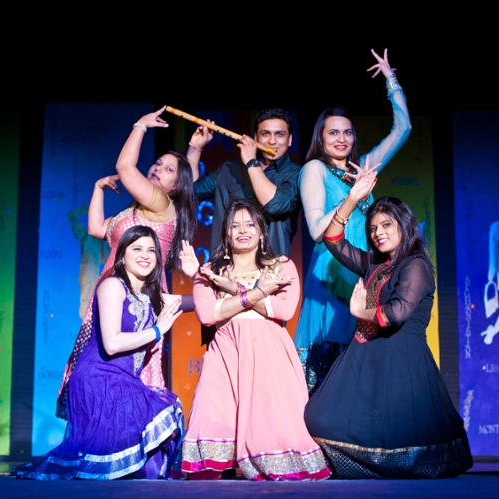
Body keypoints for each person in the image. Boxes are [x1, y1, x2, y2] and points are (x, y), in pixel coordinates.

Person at [304, 167, 473, 478]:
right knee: (318, 417)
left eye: (386, 225)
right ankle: (368, 471)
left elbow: (395, 313)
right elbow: (332, 237)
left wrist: (359, 311)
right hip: (365, 356)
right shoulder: (373, 263)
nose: (377, 232)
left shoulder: (416, 265)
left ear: (403, 226)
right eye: (372, 228)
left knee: (400, 435)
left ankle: (390, 480)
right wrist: (353, 198)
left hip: (401, 358)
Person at [56, 107, 197, 419]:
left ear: (177, 185)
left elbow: (124, 165)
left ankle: (132, 439)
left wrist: (140, 125)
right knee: (101, 362)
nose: (158, 169)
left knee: (133, 367)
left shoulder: (162, 204)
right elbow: (95, 229)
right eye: (157, 163)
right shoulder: (131, 212)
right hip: (110, 291)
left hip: (139, 293)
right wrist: (97, 188)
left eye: (169, 169)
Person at [13, 226, 185, 480]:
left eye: (151, 250)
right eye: (137, 248)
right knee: (149, 426)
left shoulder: (151, 297)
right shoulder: (112, 286)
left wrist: (238, 291)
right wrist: (158, 331)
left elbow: (205, 305)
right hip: (98, 379)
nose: (145, 255)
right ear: (121, 255)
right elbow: (112, 343)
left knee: (147, 461)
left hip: (125, 381)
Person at [178, 199, 330, 481]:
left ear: (262, 232)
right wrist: (257, 293)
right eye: (235, 226)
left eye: (250, 225)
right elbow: (209, 315)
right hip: (225, 352)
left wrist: (234, 290)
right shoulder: (210, 271)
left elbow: (284, 310)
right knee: (214, 415)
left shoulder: (280, 265)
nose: (242, 231)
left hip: (268, 351)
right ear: (225, 234)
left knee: (270, 423)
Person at [294, 49, 412, 393]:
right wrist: (353, 197)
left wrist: (391, 79)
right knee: (330, 373)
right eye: (333, 133)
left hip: (365, 270)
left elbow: (403, 128)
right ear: (321, 137)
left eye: (347, 132)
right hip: (332, 272)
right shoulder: (313, 169)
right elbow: (317, 230)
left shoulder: (362, 167)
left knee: (365, 372)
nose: (341, 139)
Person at [187, 108, 301, 257]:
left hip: (273, 270)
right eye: (265, 133)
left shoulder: (296, 174)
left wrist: (251, 162)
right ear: (256, 138)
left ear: (290, 139)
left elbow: (275, 205)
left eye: (279, 134)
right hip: (228, 267)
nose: (272, 141)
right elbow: (191, 191)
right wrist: (195, 147)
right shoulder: (230, 169)